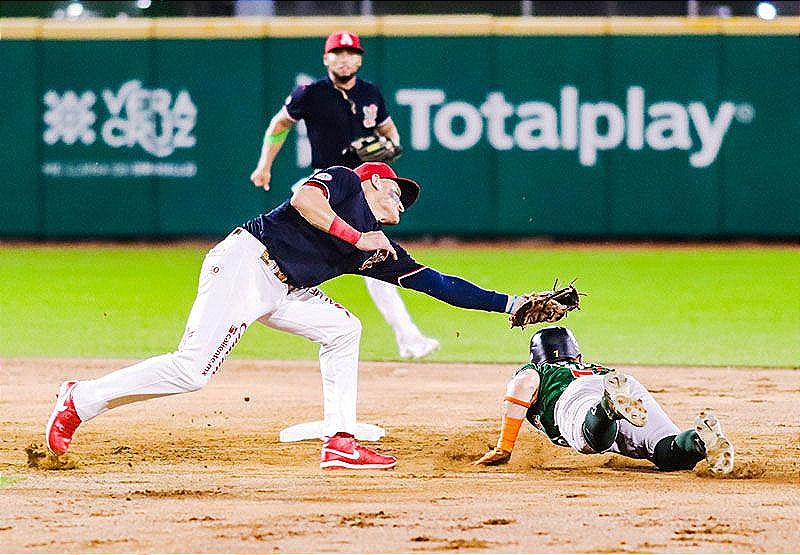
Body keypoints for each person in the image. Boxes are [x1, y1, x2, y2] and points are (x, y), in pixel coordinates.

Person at [46, 162, 552, 471]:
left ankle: (340, 441)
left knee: (343, 328)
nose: (402, 199)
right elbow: (304, 199)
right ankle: (81, 399)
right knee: (191, 371)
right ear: (372, 185)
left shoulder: (382, 248)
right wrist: (355, 237)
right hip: (247, 262)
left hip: (283, 288)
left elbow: (440, 285)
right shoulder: (345, 183)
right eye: (396, 190)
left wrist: (511, 303)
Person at [249, 30, 439, 360]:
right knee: (292, 243)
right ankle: (277, 298)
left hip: (361, 190)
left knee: (379, 260)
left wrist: (391, 146)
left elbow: (389, 131)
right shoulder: (310, 92)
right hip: (323, 184)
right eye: (337, 52)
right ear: (326, 59)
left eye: (351, 52)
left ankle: (409, 338)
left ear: (360, 59)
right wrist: (264, 164)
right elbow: (280, 125)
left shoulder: (370, 93)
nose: (344, 57)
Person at [474, 326, 735, 475]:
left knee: (592, 441)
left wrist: (504, 446)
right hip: (620, 382)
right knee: (667, 454)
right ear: (577, 355)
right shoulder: (592, 366)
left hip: (575, 396)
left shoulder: (539, 371)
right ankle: (701, 442)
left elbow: (524, 385)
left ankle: (608, 408)